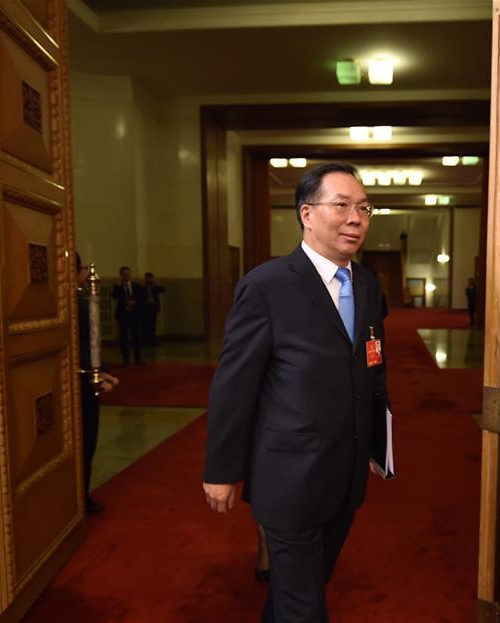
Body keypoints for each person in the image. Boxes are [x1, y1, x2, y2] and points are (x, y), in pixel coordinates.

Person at [203, 162, 390, 623]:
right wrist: (222, 469)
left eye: (364, 208)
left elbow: (373, 363)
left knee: (301, 589)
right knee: (304, 607)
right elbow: (233, 386)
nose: (356, 218)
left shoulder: (366, 284)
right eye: (342, 206)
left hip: (345, 475)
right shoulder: (267, 286)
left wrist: (378, 442)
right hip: (288, 475)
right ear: (307, 214)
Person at [76, 254, 119, 513]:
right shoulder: (82, 303)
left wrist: (102, 371)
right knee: (85, 441)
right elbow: (88, 345)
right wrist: (96, 374)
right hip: (81, 382)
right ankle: (80, 497)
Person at [111, 266, 144, 365]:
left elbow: (142, 298)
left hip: (134, 314)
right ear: (121, 275)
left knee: (136, 337)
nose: (126, 276)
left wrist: (135, 303)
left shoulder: (136, 286)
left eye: (128, 274)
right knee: (124, 338)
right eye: (124, 274)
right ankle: (126, 359)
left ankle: (138, 359)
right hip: (123, 315)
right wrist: (117, 286)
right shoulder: (118, 286)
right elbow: (114, 296)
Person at [141, 272, 165, 346]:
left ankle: (152, 340)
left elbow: (163, 289)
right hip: (145, 308)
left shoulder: (155, 287)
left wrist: (155, 283)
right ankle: (146, 340)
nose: (149, 279)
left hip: (153, 308)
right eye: (147, 278)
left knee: (153, 325)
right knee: (145, 325)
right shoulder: (142, 287)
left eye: (150, 278)